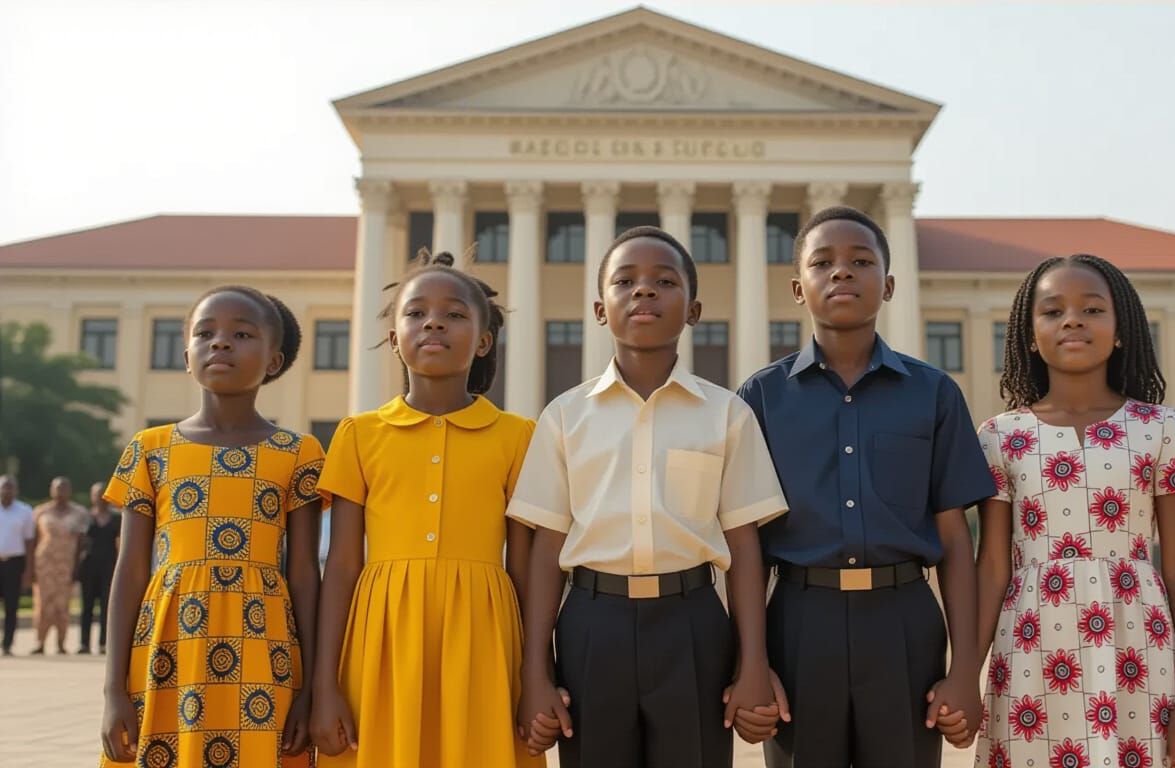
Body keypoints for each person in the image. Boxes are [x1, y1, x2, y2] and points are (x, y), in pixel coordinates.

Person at [511, 227, 787, 768]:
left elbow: (744, 546)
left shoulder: (726, 414)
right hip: (592, 624)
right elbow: (546, 551)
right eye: (625, 281)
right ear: (599, 308)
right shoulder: (565, 417)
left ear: (694, 309)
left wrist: (753, 660)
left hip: (693, 625)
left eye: (664, 281)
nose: (644, 291)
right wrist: (535, 671)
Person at [736, 206, 989, 767]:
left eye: (861, 261)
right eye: (823, 262)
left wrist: (965, 670)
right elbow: (744, 544)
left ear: (890, 284)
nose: (842, 273)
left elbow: (955, 540)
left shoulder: (934, 394)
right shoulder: (760, 398)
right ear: (798, 288)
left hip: (904, 622)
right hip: (800, 622)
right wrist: (750, 663)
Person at [965, 254, 1175, 768]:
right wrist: (964, 674)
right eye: (1053, 311)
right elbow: (992, 566)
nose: (1073, 320)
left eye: (1092, 309)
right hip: (1032, 647)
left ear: (1121, 329)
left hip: (1138, 645)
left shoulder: (1161, 428)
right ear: (1028, 334)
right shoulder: (1000, 436)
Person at [309, 249, 541, 768]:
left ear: (483, 341)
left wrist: (535, 677)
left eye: (455, 314)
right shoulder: (358, 434)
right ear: (394, 338)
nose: (433, 321)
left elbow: (524, 569)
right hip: (381, 636)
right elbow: (342, 565)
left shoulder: (518, 436)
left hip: (485, 635)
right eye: (415, 313)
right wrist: (323, 686)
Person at [99, 286, 324, 767]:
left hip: (266, 649)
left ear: (274, 360)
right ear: (186, 357)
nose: (220, 344)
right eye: (205, 333)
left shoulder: (298, 452)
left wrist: (310, 687)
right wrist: (113, 689)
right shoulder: (149, 449)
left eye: (241, 334)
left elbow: (305, 573)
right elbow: (130, 572)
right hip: (166, 647)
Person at [30, 476, 89, 655]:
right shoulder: (41, 512)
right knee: (43, 603)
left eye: (64, 488)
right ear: (51, 490)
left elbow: (81, 543)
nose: (60, 492)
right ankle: (40, 643)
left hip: (66, 565)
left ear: (69, 491)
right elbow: (33, 539)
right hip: (44, 564)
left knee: (63, 605)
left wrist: (78, 566)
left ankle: (61, 643)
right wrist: (31, 567)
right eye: (57, 488)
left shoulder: (79, 513)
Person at [78, 481, 121, 654]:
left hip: (109, 565)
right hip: (89, 565)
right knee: (86, 605)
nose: (99, 497)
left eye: (103, 493)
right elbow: (79, 543)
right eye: (96, 494)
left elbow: (120, 543)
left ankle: (104, 643)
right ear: (92, 497)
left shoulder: (117, 518)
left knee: (106, 605)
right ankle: (84, 644)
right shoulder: (86, 517)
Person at [0, 474, 35, 656]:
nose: (7, 490)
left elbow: (29, 542)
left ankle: (7, 644)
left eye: (10, 487)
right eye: (4, 486)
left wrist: (28, 570)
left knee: (11, 606)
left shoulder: (24, 511)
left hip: (14, 564)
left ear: (16, 490)